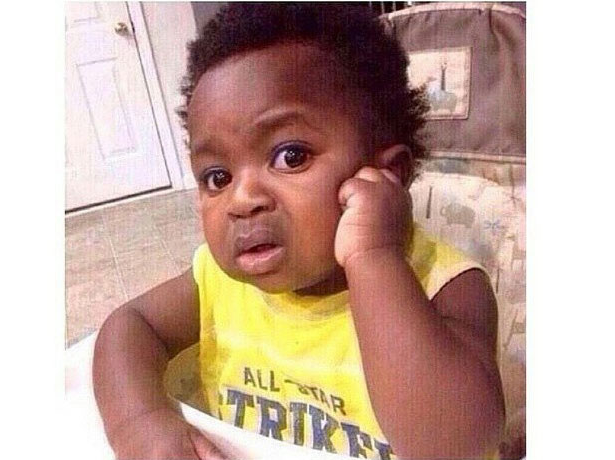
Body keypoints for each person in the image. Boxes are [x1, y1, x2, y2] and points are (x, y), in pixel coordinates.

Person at [93, 3, 505, 459]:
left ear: (389, 175)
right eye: (217, 177)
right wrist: (140, 424)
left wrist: (374, 256)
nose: (242, 199)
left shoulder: (445, 285)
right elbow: (127, 327)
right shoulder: (217, 283)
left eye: (291, 156)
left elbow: (454, 446)